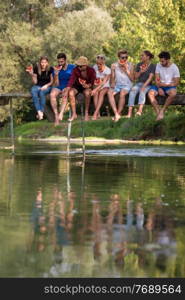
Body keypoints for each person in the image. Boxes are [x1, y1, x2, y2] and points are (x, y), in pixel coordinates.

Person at [148, 51, 180, 120]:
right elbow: (157, 79)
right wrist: (159, 88)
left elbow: (176, 82)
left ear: (168, 60)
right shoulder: (158, 65)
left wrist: (166, 85)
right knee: (150, 93)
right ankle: (158, 112)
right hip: (159, 85)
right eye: (160, 61)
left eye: (162, 61)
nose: (161, 63)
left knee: (173, 93)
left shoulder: (174, 68)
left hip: (169, 87)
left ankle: (162, 110)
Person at [126, 50, 155, 118]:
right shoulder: (139, 64)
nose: (141, 56)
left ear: (147, 57)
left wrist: (144, 86)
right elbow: (135, 77)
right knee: (133, 90)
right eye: (141, 55)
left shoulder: (152, 66)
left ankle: (140, 111)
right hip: (139, 84)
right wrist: (140, 72)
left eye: (142, 55)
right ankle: (129, 113)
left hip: (148, 84)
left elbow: (150, 78)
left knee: (142, 91)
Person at [67, 56, 96, 121]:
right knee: (71, 93)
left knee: (88, 93)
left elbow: (93, 81)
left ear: (85, 65)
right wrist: (68, 87)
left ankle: (86, 112)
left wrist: (88, 85)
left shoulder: (91, 70)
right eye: (78, 66)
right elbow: (72, 80)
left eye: (81, 66)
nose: (79, 67)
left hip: (87, 86)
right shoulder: (75, 70)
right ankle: (74, 114)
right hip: (77, 86)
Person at [108, 50, 134, 120]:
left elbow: (132, 79)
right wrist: (112, 70)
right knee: (109, 92)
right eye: (123, 57)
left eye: (126, 57)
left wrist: (126, 70)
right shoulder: (114, 65)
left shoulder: (130, 65)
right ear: (119, 58)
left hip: (127, 85)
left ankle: (118, 114)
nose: (125, 59)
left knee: (122, 93)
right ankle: (116, 113)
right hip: (118, 85)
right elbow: (112, 81)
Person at [50, 53, 75, 125]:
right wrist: (56, 74)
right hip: (59, 86)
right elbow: (56, 84)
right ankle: (56, 115)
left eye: (62, 62)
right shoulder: (56, 69)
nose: (60, 63)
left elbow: (74, 79)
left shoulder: (72, 67)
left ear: (65, 60)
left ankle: (61, 113)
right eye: (59, 62)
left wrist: (68, 87)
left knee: (65, 94)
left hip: (68, 86)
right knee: (52, 94)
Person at [26, 56, 53, 120]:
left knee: (41, 92)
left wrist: (46, 86)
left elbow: (52, 81)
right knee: (33, 91)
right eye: (42, 62)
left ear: (47, 63)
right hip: (38, 85)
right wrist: (32, 75)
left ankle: (42, 111)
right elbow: (35, 82)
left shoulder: (50, 69)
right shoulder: (36, 68)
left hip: (48, 86)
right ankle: (39, 112)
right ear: (40, 62)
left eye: (45, 62)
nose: (43, 64)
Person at [91, 55, 111, 120]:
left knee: (101, 93)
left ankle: (95, 113)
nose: (98, 65)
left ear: (103, 62)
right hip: (97, 84)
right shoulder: (95, 67)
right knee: (96, 94)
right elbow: (94, 78)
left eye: (100, 64)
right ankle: (98, 113)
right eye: (97, 64)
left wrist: (95, 89)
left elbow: (103, 83)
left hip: (105, 85)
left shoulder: (108, 70)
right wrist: (95, 87)